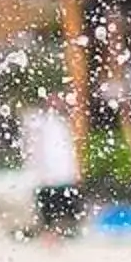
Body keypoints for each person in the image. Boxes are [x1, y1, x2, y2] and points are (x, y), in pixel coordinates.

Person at [19, 95, 82, 238]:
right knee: (48, 205)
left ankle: (64, 229)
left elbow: (69, 149)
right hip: (47, 174)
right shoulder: (41, 122)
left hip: (62, 172)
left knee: (67, 205)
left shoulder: (63, 123)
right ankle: (50, 230)